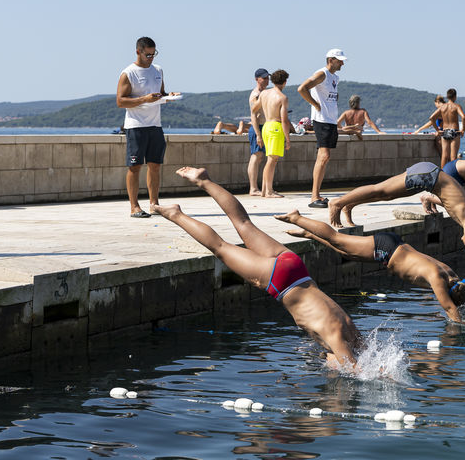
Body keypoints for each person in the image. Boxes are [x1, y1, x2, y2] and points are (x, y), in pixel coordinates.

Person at [155, 167, 361, 369]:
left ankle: (204, 180)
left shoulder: (349, 329)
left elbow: (351, 358)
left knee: (244, 223)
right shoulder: (340, 336)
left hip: (296, 268)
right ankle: (175, 214)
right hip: (281, 282)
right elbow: (353, 371)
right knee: (220, 247)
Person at [275, 211, 465, 323]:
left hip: (392, 249)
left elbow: (461, 301)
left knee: (345, 253)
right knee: (337, 239)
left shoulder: (451, 275)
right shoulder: (438, 279)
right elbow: (449, 309)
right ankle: (296, 217)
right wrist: (464, 331)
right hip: (387, 249)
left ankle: (310, 234)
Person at [328, 162, 465, 287]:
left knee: (386, 194)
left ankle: (349, 204)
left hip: (429, 174)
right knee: (380, 190)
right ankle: (337, 203)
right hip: (427, 177)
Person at [116, 36, 179, 218]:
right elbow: (120, 101)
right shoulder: (128, 73)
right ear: (138, 52)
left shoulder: (158, 70)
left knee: (155, 165)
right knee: (135, 167)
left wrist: (169, 96)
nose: (151, 58)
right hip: (136, 126)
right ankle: (134, 207)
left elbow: (161, 94)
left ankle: (154, 204)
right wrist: (144, 99)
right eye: (148, 54)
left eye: (154, 54)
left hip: (155, 125)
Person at [298, 49, 346, 209]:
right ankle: (314, 196)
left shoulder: (335, 77)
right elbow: (302, 88)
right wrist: (315, 104)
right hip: (322, 120)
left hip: (331, 120)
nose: (342, 63)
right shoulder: (322, 73)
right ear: (331, 59)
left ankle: (317, 194)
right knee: (323, 156)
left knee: (326, 157)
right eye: (339, 60)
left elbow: (330, 95)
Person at [254, 70, 291, 198]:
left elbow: (253, 110)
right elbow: (284, 120)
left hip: (266, 126)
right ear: (285, 82)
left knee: (270, 159)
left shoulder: (264, 93)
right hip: (275, 126)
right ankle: (269, 191)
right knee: (272, 160)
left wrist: (258, 132)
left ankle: (265, 190)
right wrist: (288, 138)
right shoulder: (282, 98)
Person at [427, 88, 465, 168]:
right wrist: (463, 130)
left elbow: (431, 118)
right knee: (453, 157)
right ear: (455, 97)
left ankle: (443, 174)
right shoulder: (456, 106)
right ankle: (453, 176)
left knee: (444, 156)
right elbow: (463, 117)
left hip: (444, 132)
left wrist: (437, 130)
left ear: (447, 97)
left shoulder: (442, 107)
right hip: (454, 131)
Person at [247, 68, 271, 196]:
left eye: (268, 78)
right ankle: (253, 188)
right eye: (264, 78)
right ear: (257, 79)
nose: (267, 80)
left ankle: (260, 187)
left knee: (260, 156)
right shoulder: (256, 95)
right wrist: (258, 135)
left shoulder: (265, 93)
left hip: (265, 126)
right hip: (258, 128)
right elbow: (253, 116)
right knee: (256, 156)